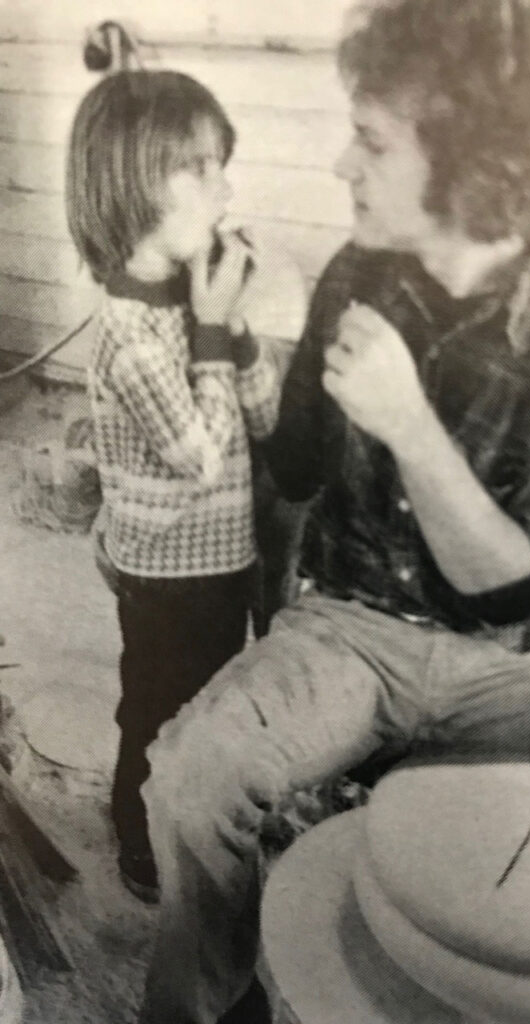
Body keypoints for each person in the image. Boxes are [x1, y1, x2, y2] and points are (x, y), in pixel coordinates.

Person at [137, 2, 530, 1022]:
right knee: (188, 781)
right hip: (350, 629)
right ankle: (213, 999)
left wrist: (410, 426)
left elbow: (516, 597)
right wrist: (223, 345)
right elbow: (291, 465)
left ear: (478, 159)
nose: (342, 163)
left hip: (518, 667)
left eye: (371, 139)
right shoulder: (356, 274)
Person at [65, 68, 281, 903]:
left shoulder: (197, 298)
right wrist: (216, 329)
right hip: (165, 572)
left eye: (223, 163)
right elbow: (199, 452)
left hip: (225, 557)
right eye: (201, 167)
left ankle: (188, 814)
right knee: (157, 713)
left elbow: (258, 420)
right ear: (130, 181)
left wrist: (231, 324)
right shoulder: (129, 333)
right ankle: (138, 834)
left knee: (214, 704)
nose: (226, 187)